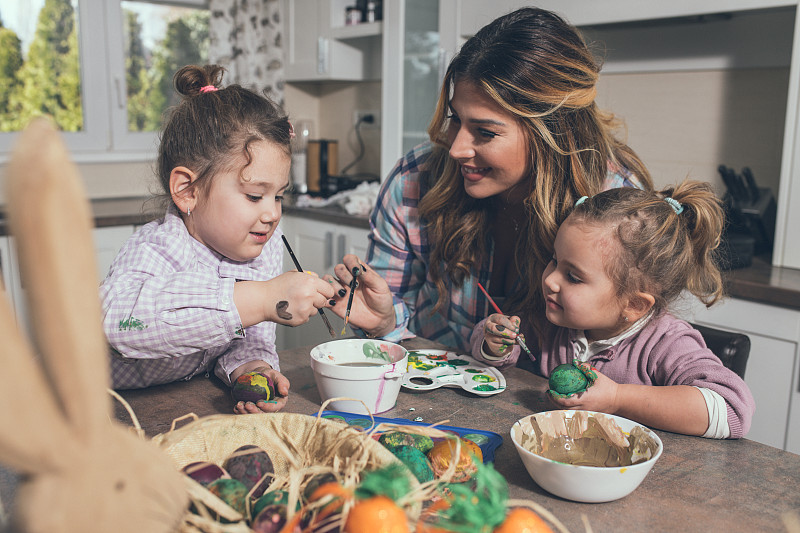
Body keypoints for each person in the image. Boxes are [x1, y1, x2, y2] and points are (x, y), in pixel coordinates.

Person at [328, 7, 653, 355]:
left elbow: (618, 358)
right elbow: (389, 316)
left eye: (484, 132)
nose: (455, 149)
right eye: (456, 119)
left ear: (552, 131)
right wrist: (383, 322)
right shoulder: (415, 178)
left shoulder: (617, 208)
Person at [100, 65, 335, 414]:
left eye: (279, 196)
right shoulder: (158, 248)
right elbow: (116, 323)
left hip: (170, 405)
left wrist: (252, 371)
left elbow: (244, 341)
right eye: (255, 196)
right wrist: (260, 298)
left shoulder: (261, 246)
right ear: (188, 191)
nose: (271, 213)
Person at [471, 182, 755, 438]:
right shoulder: (550, 318)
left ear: (633, 304)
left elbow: (731, 410)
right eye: (554, 260)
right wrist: (495, 344)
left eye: (573, 276)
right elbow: (493, 354)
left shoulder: (666, 342)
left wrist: (618, 398)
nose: (549, 279)